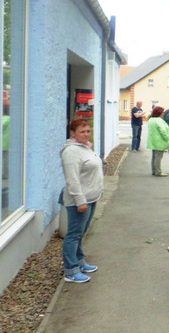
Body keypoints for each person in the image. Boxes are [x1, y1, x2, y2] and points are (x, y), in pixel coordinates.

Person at [60, 117, 103, 283]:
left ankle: (80, 261)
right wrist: (80, 201)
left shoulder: (85, 147)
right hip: (80, 200)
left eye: (88, 131)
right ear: (73, 133)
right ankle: (71, 270)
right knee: (74, 234)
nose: (86, 134)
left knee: (81, 233)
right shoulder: (71, 151)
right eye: (82, 131)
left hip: (91, 198)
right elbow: (73, 179)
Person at [147, 106, 169, 177]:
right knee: (158, 157)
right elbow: (162, 131)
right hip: (159, 141)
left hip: (153, 141)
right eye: (162, 112)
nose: (163, 113)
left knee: (154, 156)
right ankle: (158, 171)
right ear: (159, 113)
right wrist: (167, 138)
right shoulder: (159, 120)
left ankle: (154, 170)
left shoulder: (151, 120)